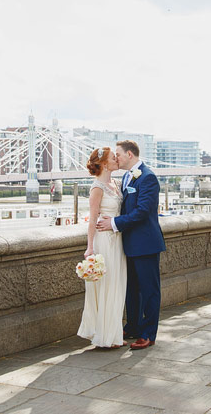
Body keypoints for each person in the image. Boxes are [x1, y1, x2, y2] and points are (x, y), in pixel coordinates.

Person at [96, 140, 165, 350]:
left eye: (118, 154)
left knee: (149, 290)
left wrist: (114, 223)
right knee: (132, 290)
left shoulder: (148, 177)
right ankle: (133, 326)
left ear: (129, 154)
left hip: (145, 243)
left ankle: (148, 334)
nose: (116, 158)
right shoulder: (126, 177)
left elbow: (143, 211)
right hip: (127, 244)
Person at [76, 147, 127, 349]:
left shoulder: (115, 183)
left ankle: (113, 333)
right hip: (104, 242)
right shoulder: (97, 188)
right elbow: (92, 219)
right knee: (107, 286)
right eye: (114, 158)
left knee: (117, 285)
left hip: (117, 239)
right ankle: (106, 336)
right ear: (105, 164)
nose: (117, 160)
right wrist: (90, 248)